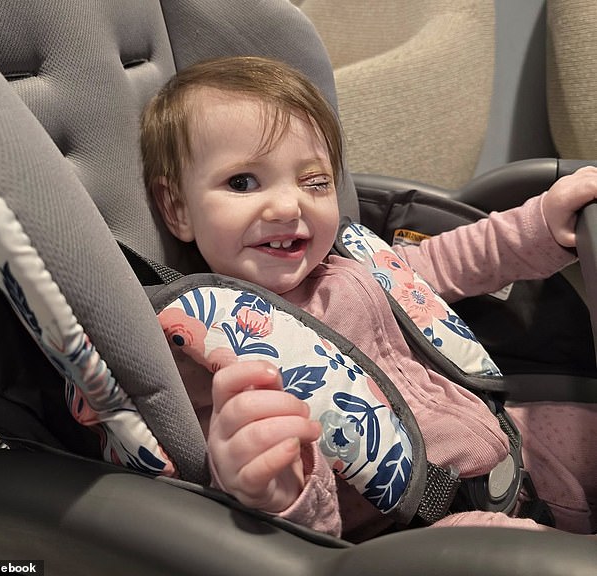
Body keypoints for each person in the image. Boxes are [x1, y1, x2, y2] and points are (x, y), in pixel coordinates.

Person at [141, 55, 597, 541]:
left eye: (314, 182)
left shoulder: (352, 266)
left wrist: (543, 222)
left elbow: (454, 260)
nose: (288, 205)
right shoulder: (211, 350)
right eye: (242, 182)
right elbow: (295, 528)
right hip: (423, 528)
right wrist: (271, 487)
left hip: (513, 446)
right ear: (176, 208)